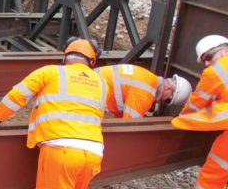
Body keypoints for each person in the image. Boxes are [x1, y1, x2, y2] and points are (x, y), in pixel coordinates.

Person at [0, 37, 106, 189]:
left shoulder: (50, 72)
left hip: (61, 150)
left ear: (65, 57)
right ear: (92, 61)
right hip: (93, 153)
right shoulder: (101, 82)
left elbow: (18, 95)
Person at [171, 34, 228, 189]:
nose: (207, 63)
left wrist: (182, 120)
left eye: (208, 57)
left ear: (224, 50)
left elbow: (196, 104)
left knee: (213, 174)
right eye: (204, 61)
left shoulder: (217, 70)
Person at [96, 64, 192, 119]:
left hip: (88, 82)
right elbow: (129, 125)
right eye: (168, 100)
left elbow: (120, 115)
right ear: (169, 88)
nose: (163, 102)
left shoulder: (148, 78)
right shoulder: (145, 94)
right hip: (89, 91)